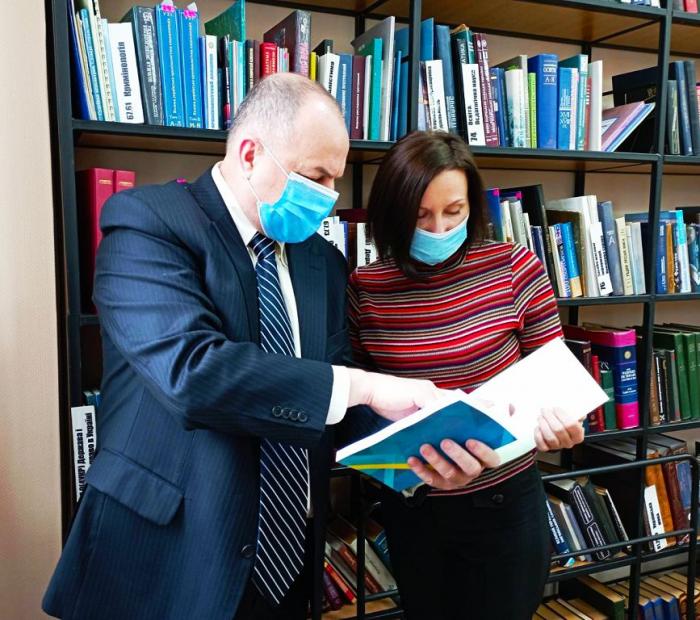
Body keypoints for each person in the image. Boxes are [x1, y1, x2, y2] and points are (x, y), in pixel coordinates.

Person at [42, 74, 501, 620]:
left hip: (288, 556)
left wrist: (419, 449)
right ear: (250, 154)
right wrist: (367, 386)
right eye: (316, 176)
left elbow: (332, 400)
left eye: (335, 179)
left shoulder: (323, 262)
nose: (329, 197)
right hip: (166, 553)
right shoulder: (148, 223)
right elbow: (192, 373)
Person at [348, 131, 586, 620]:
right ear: (392, 212)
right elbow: (358, 403)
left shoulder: (514, 267)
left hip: (503, 508)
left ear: (472, 206)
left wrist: (564, 425)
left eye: (453, 211)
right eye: (420, 215)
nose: (438, 229)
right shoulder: (366, 287)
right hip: (414, 511)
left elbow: (557, 384)